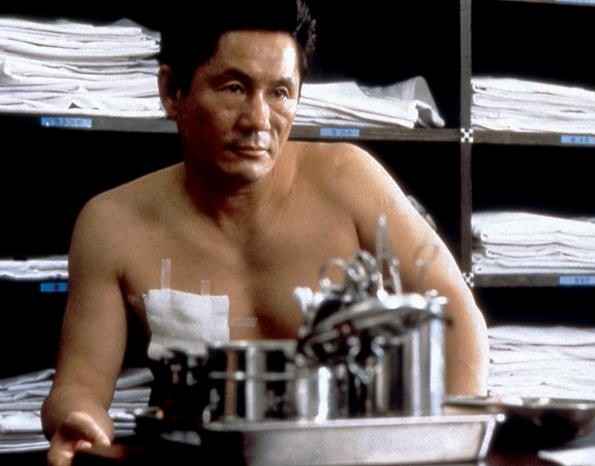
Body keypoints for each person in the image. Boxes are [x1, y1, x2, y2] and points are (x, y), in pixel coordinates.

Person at [40, 1, 488, 465]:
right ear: (173, 92)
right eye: (234, 88)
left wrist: (449, 446)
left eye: (279, 92)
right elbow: (79, 385)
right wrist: (79, 422)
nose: (258, 120)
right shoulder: (112, 223)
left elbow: (457, 312)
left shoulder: (349, 179)